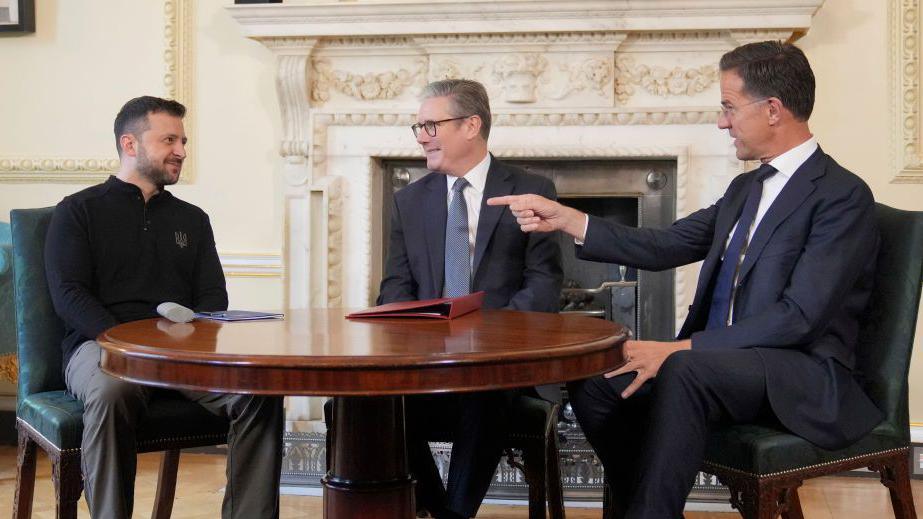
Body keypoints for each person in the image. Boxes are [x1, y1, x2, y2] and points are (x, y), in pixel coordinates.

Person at [488, 41, 883, 518]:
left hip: (797, 373)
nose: (722, 122)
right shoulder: (744, 189)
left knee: (681, 369)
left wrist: (676, 350)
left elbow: (798, 319)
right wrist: (569, 218)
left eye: (729, 107)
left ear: (773, 109)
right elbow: (664, 246)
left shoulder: (842, 196)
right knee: (598, 377)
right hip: (720, 368)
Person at [44, 96, 284, 519]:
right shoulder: (78, 211)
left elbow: (213, 300)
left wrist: (183, 344)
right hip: (102, 350)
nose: (182, 151)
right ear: (130, 144)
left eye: (184, 140)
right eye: (169, 139)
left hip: (183, 353)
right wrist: (129, 344)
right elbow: (70, 295)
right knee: (111, 390)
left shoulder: (193, 219)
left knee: (258, 393)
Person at [380, 79, 562, 519]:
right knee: (365, 400)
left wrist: (486, 339)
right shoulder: (409, 200)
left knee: (485, 389)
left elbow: (543, 285)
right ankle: (440, 511)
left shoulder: (531, 189)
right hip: (426, 363)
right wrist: (414, 334)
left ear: (471, 125)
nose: (422, 135)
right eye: (418, 126)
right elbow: (395, 287)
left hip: (502, 364)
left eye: (431, 125)